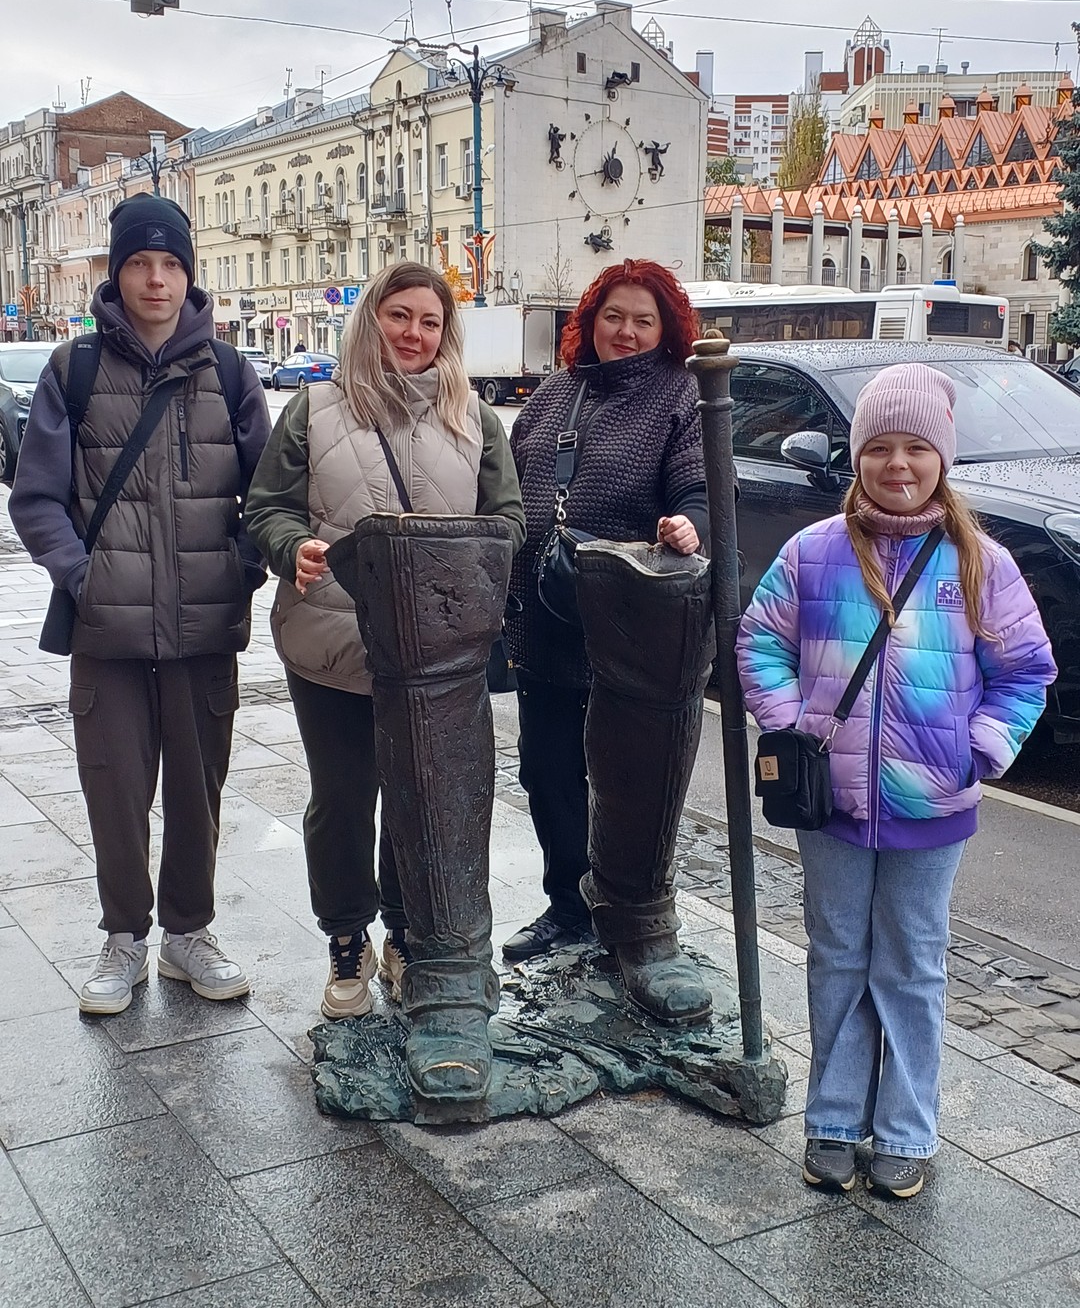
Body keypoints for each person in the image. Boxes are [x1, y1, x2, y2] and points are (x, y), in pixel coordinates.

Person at [736, 363, 1056, 1199]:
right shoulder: (813, 553)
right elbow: (758, 643)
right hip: (830, 803)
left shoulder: (979, 562)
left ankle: (907, 1128)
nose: (899, 465)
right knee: (838, 956)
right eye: (881, 447)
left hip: (933, 802)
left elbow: (1025, 671)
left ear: (941, 459)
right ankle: (835, 1120)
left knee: (912, 966)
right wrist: (790, 722)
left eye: (917, 448)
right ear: (857, 455)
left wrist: (980, 748)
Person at [9, 193, 271, 1015]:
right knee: (114, 789)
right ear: (117, 273)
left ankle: (189, 932)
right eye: (139, 263)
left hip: (204, 627)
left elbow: (271, 495)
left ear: (189, 276)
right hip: (107, 630)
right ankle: (123, 940)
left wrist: (241, 566)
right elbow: (36, 497)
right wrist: (81, 576)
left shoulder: (229, 373)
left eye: (170, 264)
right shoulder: (74, 370)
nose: (155, 279)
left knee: (199, 790)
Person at [244, 261, 524, 1020]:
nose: (413, 333)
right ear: (372, 320)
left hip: (434, 656)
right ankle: (346, 937)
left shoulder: (476, 418)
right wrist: (289, 545)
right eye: (399, 316)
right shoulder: (317, 408)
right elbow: (266, 505)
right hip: (330, 639)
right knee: (341, 800)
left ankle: (404, 935)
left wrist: (465, 569)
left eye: (429, 321)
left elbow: (509, 523)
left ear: (447, 332)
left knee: (419, 798)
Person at [504, 259, 709, 963]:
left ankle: (626, 914)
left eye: (643, 320)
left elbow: (702, 492)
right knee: (548, 773)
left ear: (667, 328)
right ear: (589, 321)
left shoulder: (680, 396)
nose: (625, 331)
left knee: (622, 787)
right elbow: (506, 486)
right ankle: (567, 906)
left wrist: (688, 525)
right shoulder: (552, 394)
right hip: (543, 619)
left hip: (624, 629)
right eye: (613, 316)